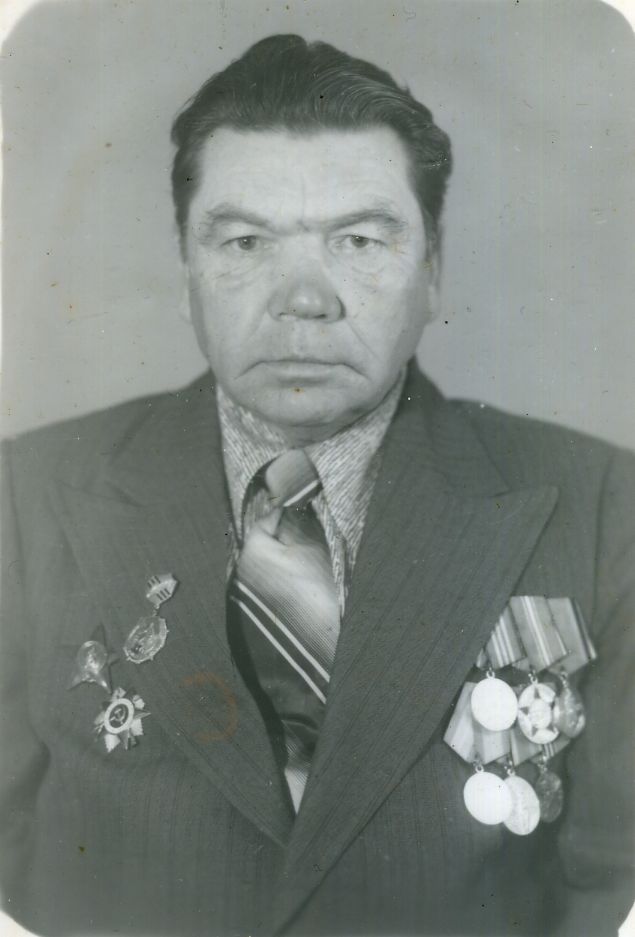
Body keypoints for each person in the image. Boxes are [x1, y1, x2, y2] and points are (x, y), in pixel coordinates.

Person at [1, 33, 633, 937]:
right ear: (186, 271)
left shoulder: (605, 508)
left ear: (432, 270)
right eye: (245, 240)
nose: (304, 298)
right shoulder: (23, 500)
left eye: (360, 239)